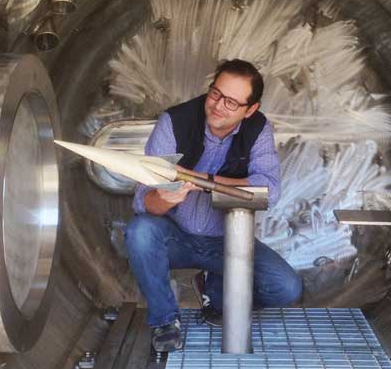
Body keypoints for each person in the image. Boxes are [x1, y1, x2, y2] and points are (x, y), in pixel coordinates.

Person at [125, 59, 303, 352]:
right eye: (216, 94)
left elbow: (269, 191)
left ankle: (215, 292)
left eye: (232, 102)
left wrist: (205, 180)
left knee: (287, 288)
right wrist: (162, 198)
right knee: (140, 231)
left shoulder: (258, 129)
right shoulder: (174, 122)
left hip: (229, 242)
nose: (219, 106)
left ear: (250, 110)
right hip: (176, 237)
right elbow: (143, 201)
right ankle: (165, 321)